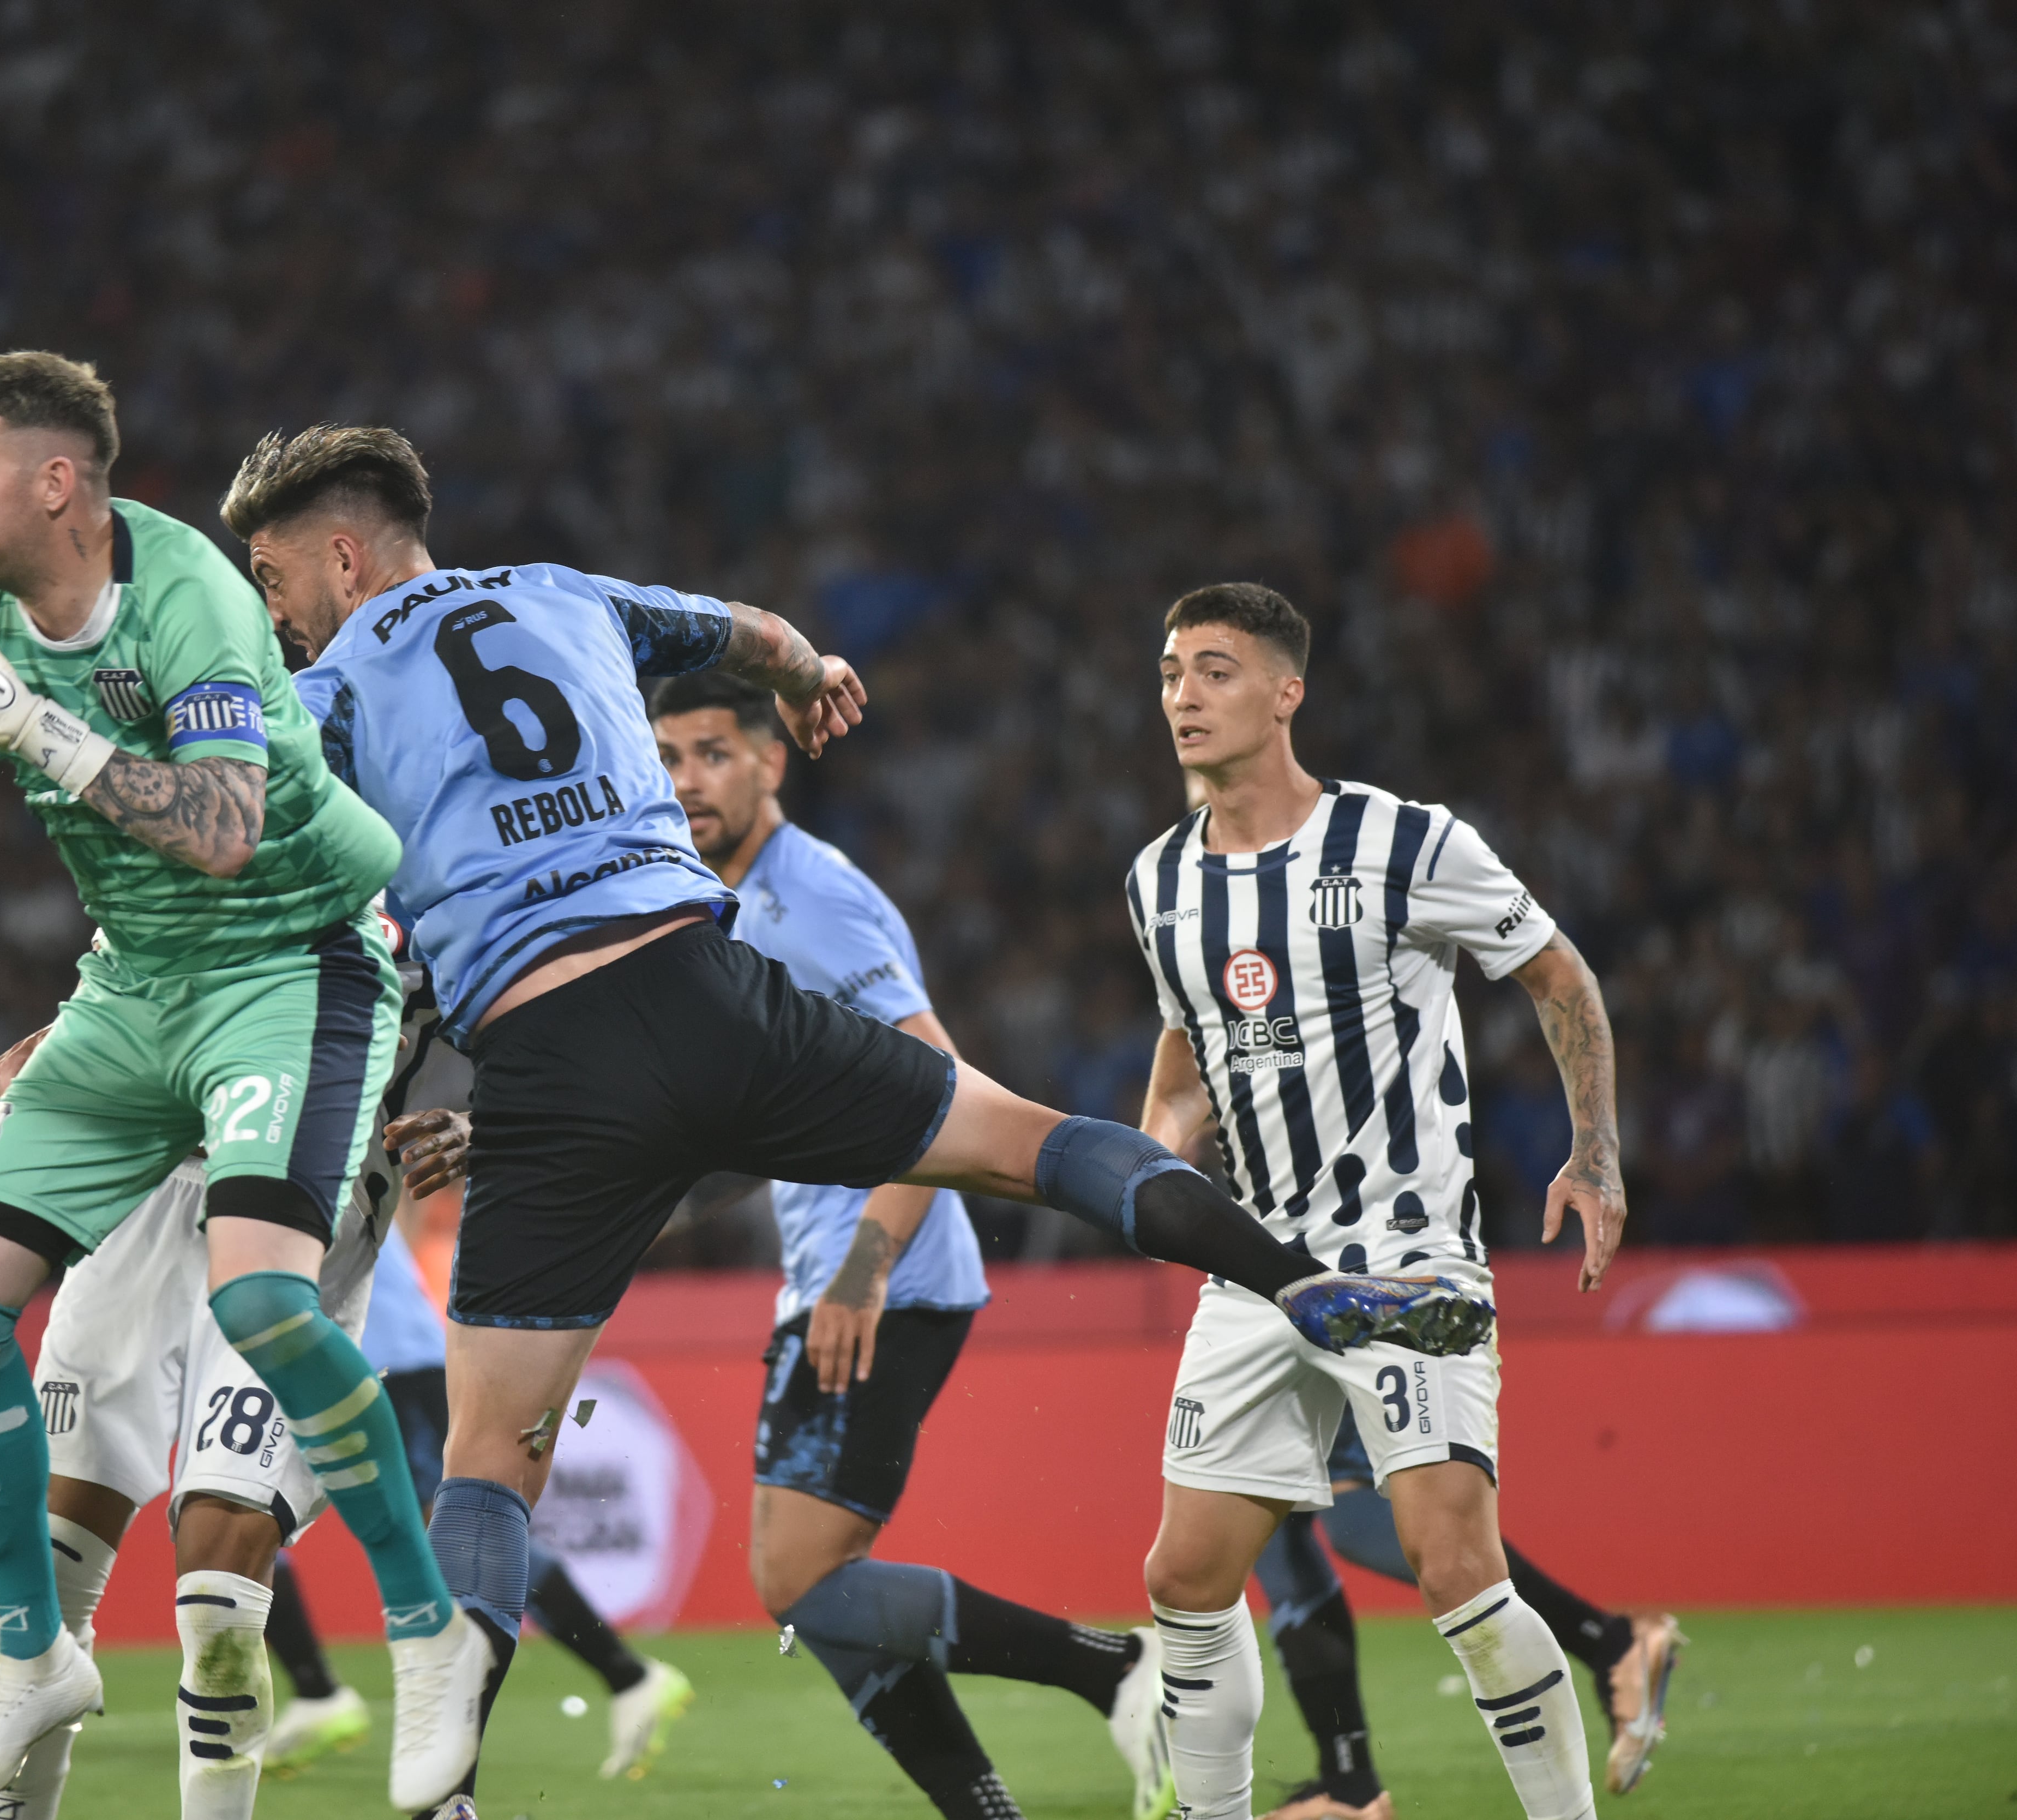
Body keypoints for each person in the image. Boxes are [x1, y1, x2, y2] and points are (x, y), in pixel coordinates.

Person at [227, 425, 1494, 1816]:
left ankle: (449, 1787)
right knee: (1023, 1137)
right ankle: (1294, 1277)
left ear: (340, 554)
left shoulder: (327, 688)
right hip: (711, 988)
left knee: (485, 1458)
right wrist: (813, 673)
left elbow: (245, 865)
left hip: (542, 1057)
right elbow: (758, 632)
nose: (274, 612)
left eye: (274, 576)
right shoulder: (566, 592)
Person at [0, 353, 475, 1818]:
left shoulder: (188, 589)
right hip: (136, 992)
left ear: (58, 481)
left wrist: (25, 716)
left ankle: (425, 1628)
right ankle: (35, 1658)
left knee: (261, 1316)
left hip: (292, 965)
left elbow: (219, 830)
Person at [1124, 582, 1630, 1820]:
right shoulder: (1158, 881)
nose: (1183, 693)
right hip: (1256, 1272)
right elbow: (1185, 1057)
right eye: (1171, 671)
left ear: (1287, 693)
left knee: (1452, 1560)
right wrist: (1157, 1149)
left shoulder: (1407, 841)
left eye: (1216, 669)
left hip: (1406, 1262)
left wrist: (1595, 1151)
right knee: (1184, 1574)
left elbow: (1557, 972)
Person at [654, 671, 1172, 1820]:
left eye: (712, 753)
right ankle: (988, 1808)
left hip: (882, 1275)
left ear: (770, 762)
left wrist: (860, 1269)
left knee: (794, 1580)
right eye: (670, 757)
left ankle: (1115, 1668)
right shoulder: (721, 903)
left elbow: (933, 1083)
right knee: (815, 1591)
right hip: (838, 1275)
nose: (688, 780)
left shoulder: (814, 901)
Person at [0, 958, 469, 1820]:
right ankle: (17, 1808)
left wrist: (489, 1120)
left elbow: (554, 1017)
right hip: (144, 1184)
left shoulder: (454, 866)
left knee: (222, 1558)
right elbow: (149, 937)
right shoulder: (222, 830)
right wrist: (80, 1023)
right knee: (56, 1552)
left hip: (306, 1210)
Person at [260, 1215, 699, 1783]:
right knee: (247, 1515)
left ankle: (629, 1675)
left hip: (388, 1364)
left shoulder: (295, 1146)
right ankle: (315, 1690)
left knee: (452, 1542)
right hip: (333, 1365)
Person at [1250, 1409, 1684, 1817]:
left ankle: (1611, 1642)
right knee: (1270, 1519)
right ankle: (1348, 1784)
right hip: (1282, 1336)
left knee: (1354, 1516)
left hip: (1324, 1335)